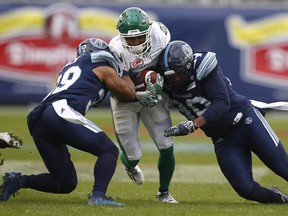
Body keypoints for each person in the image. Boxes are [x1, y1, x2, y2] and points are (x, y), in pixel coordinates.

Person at [0, 38, 153, 206]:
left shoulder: (75, 67)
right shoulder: (100, 63)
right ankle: (98, 196)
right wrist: (124, 72)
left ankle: (17, 181)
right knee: (108, 151)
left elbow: (92, 97)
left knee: (65, 182)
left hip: (39, 118)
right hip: (60, 111)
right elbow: (129, 92)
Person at [157, 40, 288, 204]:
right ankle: (281, 199)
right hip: (223, 138)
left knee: (283, 167)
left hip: (246, 121)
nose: (175, 80)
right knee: (245, 189)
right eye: (171, 76)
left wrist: (194, 124)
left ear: (189, 66)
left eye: (179, 74)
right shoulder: (161, 80)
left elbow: (222, 102)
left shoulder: (202, 66)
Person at [109, 7, 178, 203]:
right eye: (131, 39)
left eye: (140, 37)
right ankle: (130, 166)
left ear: (148, 31)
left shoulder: (161, 34)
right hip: (125, 100)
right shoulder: (115, 49)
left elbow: (168, 64)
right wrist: (139, 94)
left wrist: (158, 85)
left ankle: (163, 193)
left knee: (166, 145)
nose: (136, 42)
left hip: (154, 95)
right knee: (133, 156)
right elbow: (117, 88)